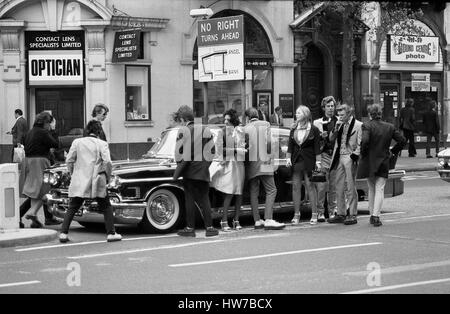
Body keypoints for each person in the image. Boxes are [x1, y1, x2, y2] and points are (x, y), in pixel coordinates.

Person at [59, 120, 122, 243]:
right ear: (99, 132)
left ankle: (63, 233)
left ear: (86, 131)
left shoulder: (77, 142)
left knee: (73, 206)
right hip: (96, 179)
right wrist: (107, 176)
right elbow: (108, 162)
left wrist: (73, 173)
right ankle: (111, 233)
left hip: (80, 179)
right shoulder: (102, 144)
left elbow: (69, 160)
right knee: (106, 206)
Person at [173, 106, 219, 237]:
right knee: (205, 199)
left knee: (189, 199)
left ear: (183, 119)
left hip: (189, 171)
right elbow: (212, 152)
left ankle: (190, 228)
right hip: (203, 171)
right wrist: (205, 166)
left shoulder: (183, 131)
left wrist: (180, 168)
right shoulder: (205, 129)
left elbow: (179, 153)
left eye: (180, 121)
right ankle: (210, 228)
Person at [357, 104, 406, 227]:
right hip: (383, 160)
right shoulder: (389, 127)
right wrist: (393, 151)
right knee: (380, 188)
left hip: (369, 160)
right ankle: (376, 216)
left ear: (370, 114)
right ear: (380, 114)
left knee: (371, 188)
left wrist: (363, 154)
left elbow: (365, 141)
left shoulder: (367, 125)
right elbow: (402, 141)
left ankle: (371, 214)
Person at [244, 107, 285, 230]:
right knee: (271, 190)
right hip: (264, 161)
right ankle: (268, 219)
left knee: (254, 192)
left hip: (251, 164)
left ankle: (257, 220)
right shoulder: (265, 124)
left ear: (247, 118)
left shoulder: (244, 128)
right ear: (257, 115)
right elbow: (269, 143)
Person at [20, 112, 59, 228]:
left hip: (28, 161)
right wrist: (53, 130)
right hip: (40, 161)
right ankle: (32, 213)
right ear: (45, 123)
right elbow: (55, 144)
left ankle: (36, 220)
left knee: (34, 192)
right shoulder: (43, 132)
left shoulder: (30, 132)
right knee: (45, 189)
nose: (49, 125)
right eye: (49, 123)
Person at [210, 109, 245, 231]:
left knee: (239, 193)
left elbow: (246, 146)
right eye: (224, 119)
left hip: (239, 163)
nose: (225, 122)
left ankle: (236, 220)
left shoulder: (240, 130)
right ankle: (224, 220)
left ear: (233, 120)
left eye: (228, 120)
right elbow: (219, 151)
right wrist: (235, 150)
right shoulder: (222, 132)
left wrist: (244, 149)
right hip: (229, 163)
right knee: (229, 192)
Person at [286, 105, 321, 225]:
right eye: (296, 113)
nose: (296, 115)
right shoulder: (293, 128)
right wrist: (288, 158)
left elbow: (317, 146)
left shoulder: (314, 129)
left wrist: (318, 161)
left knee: (310, 185)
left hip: (309, 160)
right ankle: (296, 214)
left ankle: (314, 213)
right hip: (296, 159)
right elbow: (290, 145)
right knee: (295, 187)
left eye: (299, 113)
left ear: (305, 114)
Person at [327, 103, 362, 225]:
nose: (340, 117)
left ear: (349, 114)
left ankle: (352, 213)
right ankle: (341, 213)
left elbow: (360, 143)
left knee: (350, 186)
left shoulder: (358, 125)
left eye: (342, 115)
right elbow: (331, 139)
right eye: (339, 114)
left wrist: (354, 155)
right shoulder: (339, 124)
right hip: (339, 157)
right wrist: (336, 128)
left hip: (349, 156)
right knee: (339, 186)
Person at [313, 96, 338, 221]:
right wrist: (320, 136)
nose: (330, 108)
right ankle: (320, 212)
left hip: (335, 155)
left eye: (332, 106)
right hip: (323, 155)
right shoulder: (317, 122)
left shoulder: (339, 121)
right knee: (321, 185)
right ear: (323, 108)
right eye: (328, 106)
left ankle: (332, 210)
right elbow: (313, 139)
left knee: (333, 185)